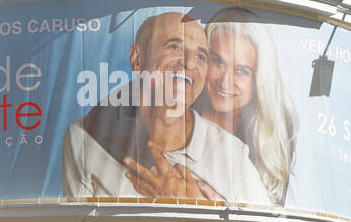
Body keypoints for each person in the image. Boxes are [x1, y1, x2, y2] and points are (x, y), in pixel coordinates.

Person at [62, 10, 271, 205]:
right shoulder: (84, 139)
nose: (189, 63)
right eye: (174, 46)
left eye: (200, 56)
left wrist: (193, 201)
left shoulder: (232, 154)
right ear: (137, 59)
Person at [196, 7, 298, 206]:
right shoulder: (176, 112)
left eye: (241, 71)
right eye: (217, 61)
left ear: (259, 79)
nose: (225, 81)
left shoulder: (275, 131)